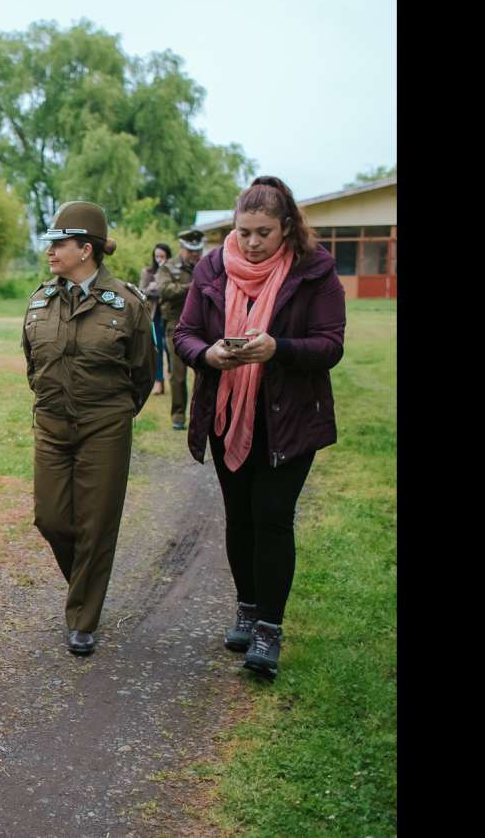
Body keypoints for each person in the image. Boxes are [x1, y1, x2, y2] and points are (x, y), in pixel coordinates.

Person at [173, 176, 345, 678]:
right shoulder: (211, 267)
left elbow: (330, 345)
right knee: (239, 517)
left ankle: (269, 628)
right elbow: (185, 333)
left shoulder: (315, 270)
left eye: (263, 232)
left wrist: (280, 349)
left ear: (287, 227)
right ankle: (247, 607)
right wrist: (209, 353)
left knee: (271, 515)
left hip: (288, 417)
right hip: (228, 413)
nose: (250, 242)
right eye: (243, 231)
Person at [23, 201, 155, 656]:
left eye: (60, 244)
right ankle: (87, 582)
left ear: (86, 249)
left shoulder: (128, 303)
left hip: (105, 424)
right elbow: (32, 364)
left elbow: (142, 372)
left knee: (97, 524)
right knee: (52, 518)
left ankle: (82, 618)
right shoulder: (40, 299)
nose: (51, 251)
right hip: (53, 422)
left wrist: (114, 414)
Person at [155, 230, 204, 430]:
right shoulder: (168, 268)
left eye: (198, 250)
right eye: (191, 251)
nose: (195, 255)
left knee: (204, 372)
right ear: (182, 248)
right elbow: (164, 290)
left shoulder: (204, 266)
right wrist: (191, 287)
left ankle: (202, 415)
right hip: (175, 324)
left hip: (201, 325)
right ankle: (178, 417)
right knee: (178, 374)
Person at [139, 243, 172, 396]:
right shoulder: (147, 272)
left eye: (162, 256)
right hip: (155, 314)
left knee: (171, 346)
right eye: (157, 256)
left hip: (171, 314)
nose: (159, 259)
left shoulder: (173, 272)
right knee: (157, 347)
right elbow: (141, 292)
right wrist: (150, 288)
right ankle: (158, 381)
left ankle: (172, 373)